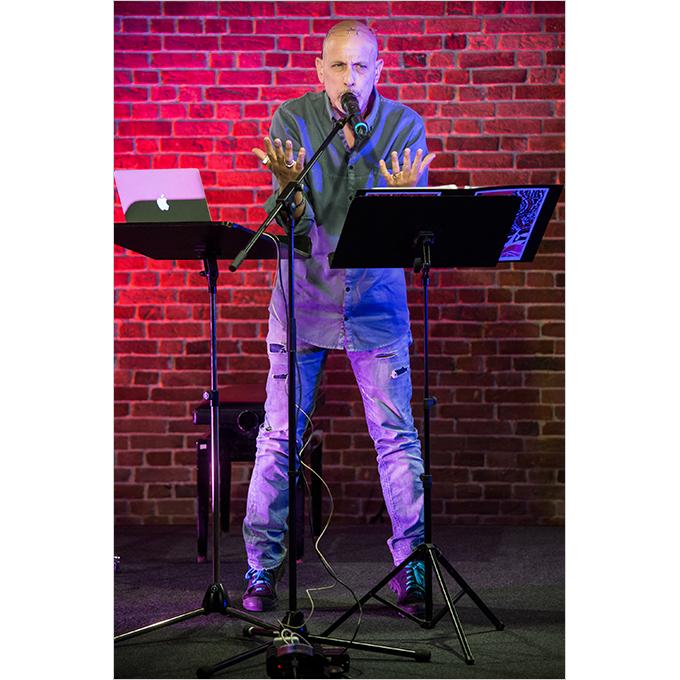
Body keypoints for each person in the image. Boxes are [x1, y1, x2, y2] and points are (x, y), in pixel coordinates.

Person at [242, 20, 435, 616]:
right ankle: (260, 568)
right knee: (279, 437)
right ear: (320, 70)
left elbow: (410, 236)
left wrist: (407, 201)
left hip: (375, 304)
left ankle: (412, 568)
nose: (350, 78)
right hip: (304, 301)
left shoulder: (404, 126)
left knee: (396, 438)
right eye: (338, 66)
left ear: (378, 70)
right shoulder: (293, 121)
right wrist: (289, 188)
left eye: (361, 66)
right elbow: (292, 224)